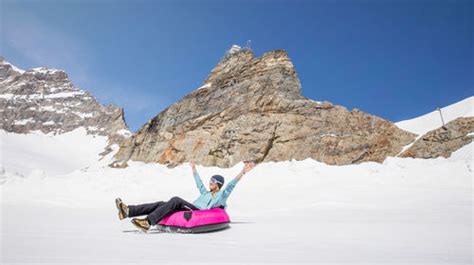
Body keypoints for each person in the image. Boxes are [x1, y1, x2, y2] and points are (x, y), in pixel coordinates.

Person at [115, 161, 256, 232]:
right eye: (210, 180)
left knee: (176, 199)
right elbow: (199, 183)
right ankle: (128, 211)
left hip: (197, 212)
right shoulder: (205, 192)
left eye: (212, 181)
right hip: (191, 208)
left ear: (218, 184)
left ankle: (148, 222)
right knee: (161, 203)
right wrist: (194, 169)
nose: (210, 183)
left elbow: (230, 186)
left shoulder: (220, 196)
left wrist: (243, 172)